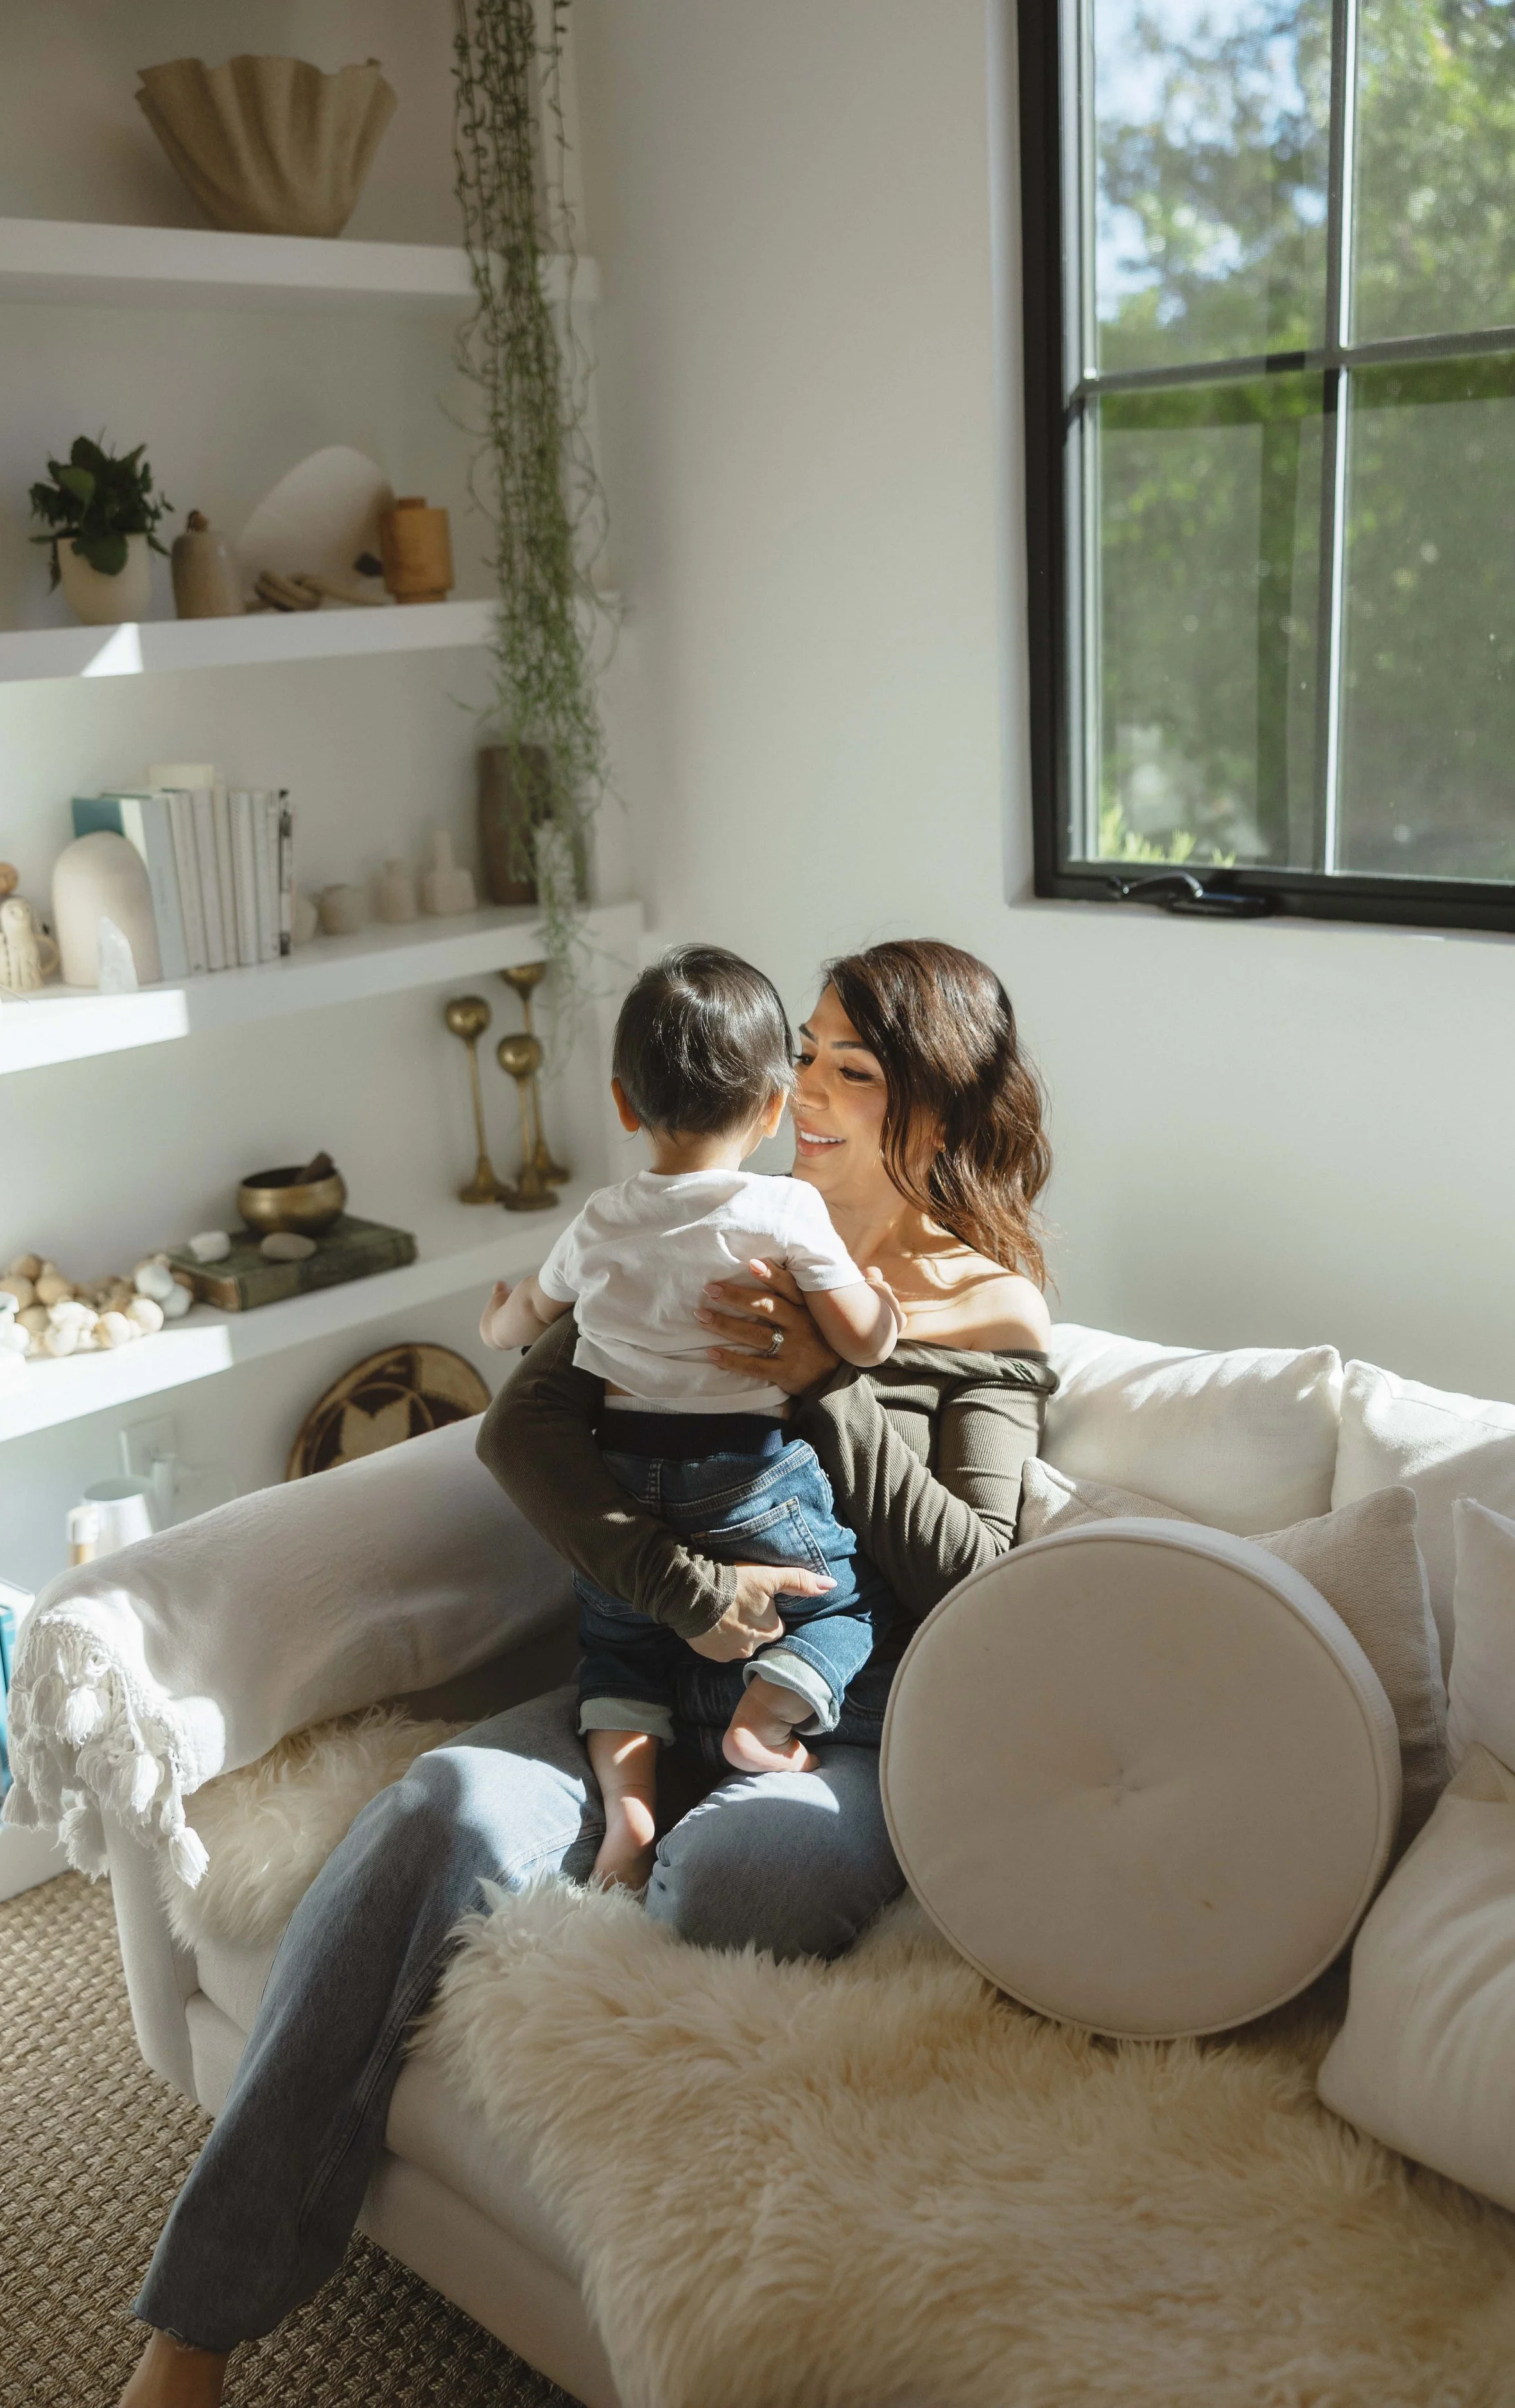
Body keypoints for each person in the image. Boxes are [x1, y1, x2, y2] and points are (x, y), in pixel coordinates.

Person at [117, 938, 1054, 2408]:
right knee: (436, 1813)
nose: (805, 1091)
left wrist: (829, 1382)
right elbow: (525, 1430)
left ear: (931, 1116)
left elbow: (980, 1585)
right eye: (800, 1053)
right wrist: (681, 1597)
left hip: (840, 1716)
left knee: (734, 1885)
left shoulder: (981, 1311)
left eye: (851, 1072)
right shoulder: (699, 1228)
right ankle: (193, 2329)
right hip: (640, 1657)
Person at [480, 944, 905, 1889]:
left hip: (623, 1474)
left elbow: (523, 1325)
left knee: (620, 1650)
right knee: (845, 1601)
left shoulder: (596, 1221)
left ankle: (627, 1825)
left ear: (625, 1105)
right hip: (744, 1472)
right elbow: (862, 1340)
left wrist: (496, 1309)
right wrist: (880, 1306)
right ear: (771, 1110)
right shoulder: (786, 1208)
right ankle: (772, 1709)